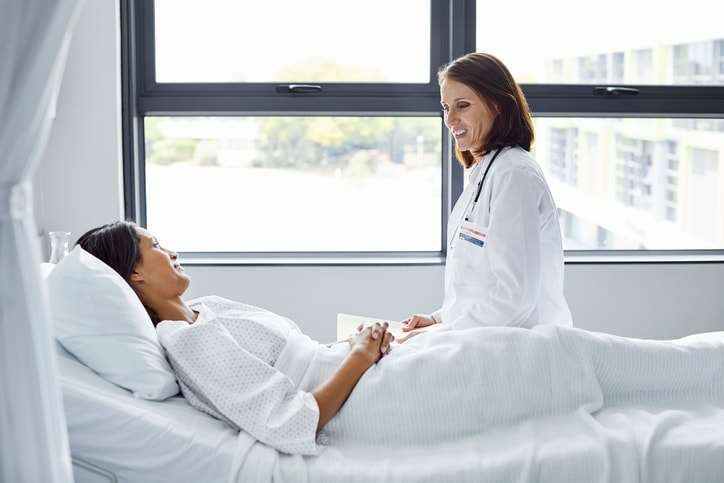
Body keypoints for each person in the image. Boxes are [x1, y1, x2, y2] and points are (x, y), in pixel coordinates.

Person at [75, 221, 724, 457]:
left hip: (368, 372)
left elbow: (297, 360)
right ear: (133, 271)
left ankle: (703, 370)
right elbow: (292, 418)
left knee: (555, 351)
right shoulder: (184, 343)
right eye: (155, 245)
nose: (171, 248)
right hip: (370, 404)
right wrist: (361, 352)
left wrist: (372, 339)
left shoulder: (204, 312)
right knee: (551, 354)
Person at [401, 53, 572, 340]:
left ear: (498, 105)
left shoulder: (514, 174)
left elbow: (514, 298)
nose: (450, 119)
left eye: (463, 106)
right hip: (482, 342)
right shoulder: (485, 173)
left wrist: (441, 334)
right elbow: (479, 286)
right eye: (445, 107)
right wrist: (436, 320)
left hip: (518, 349)